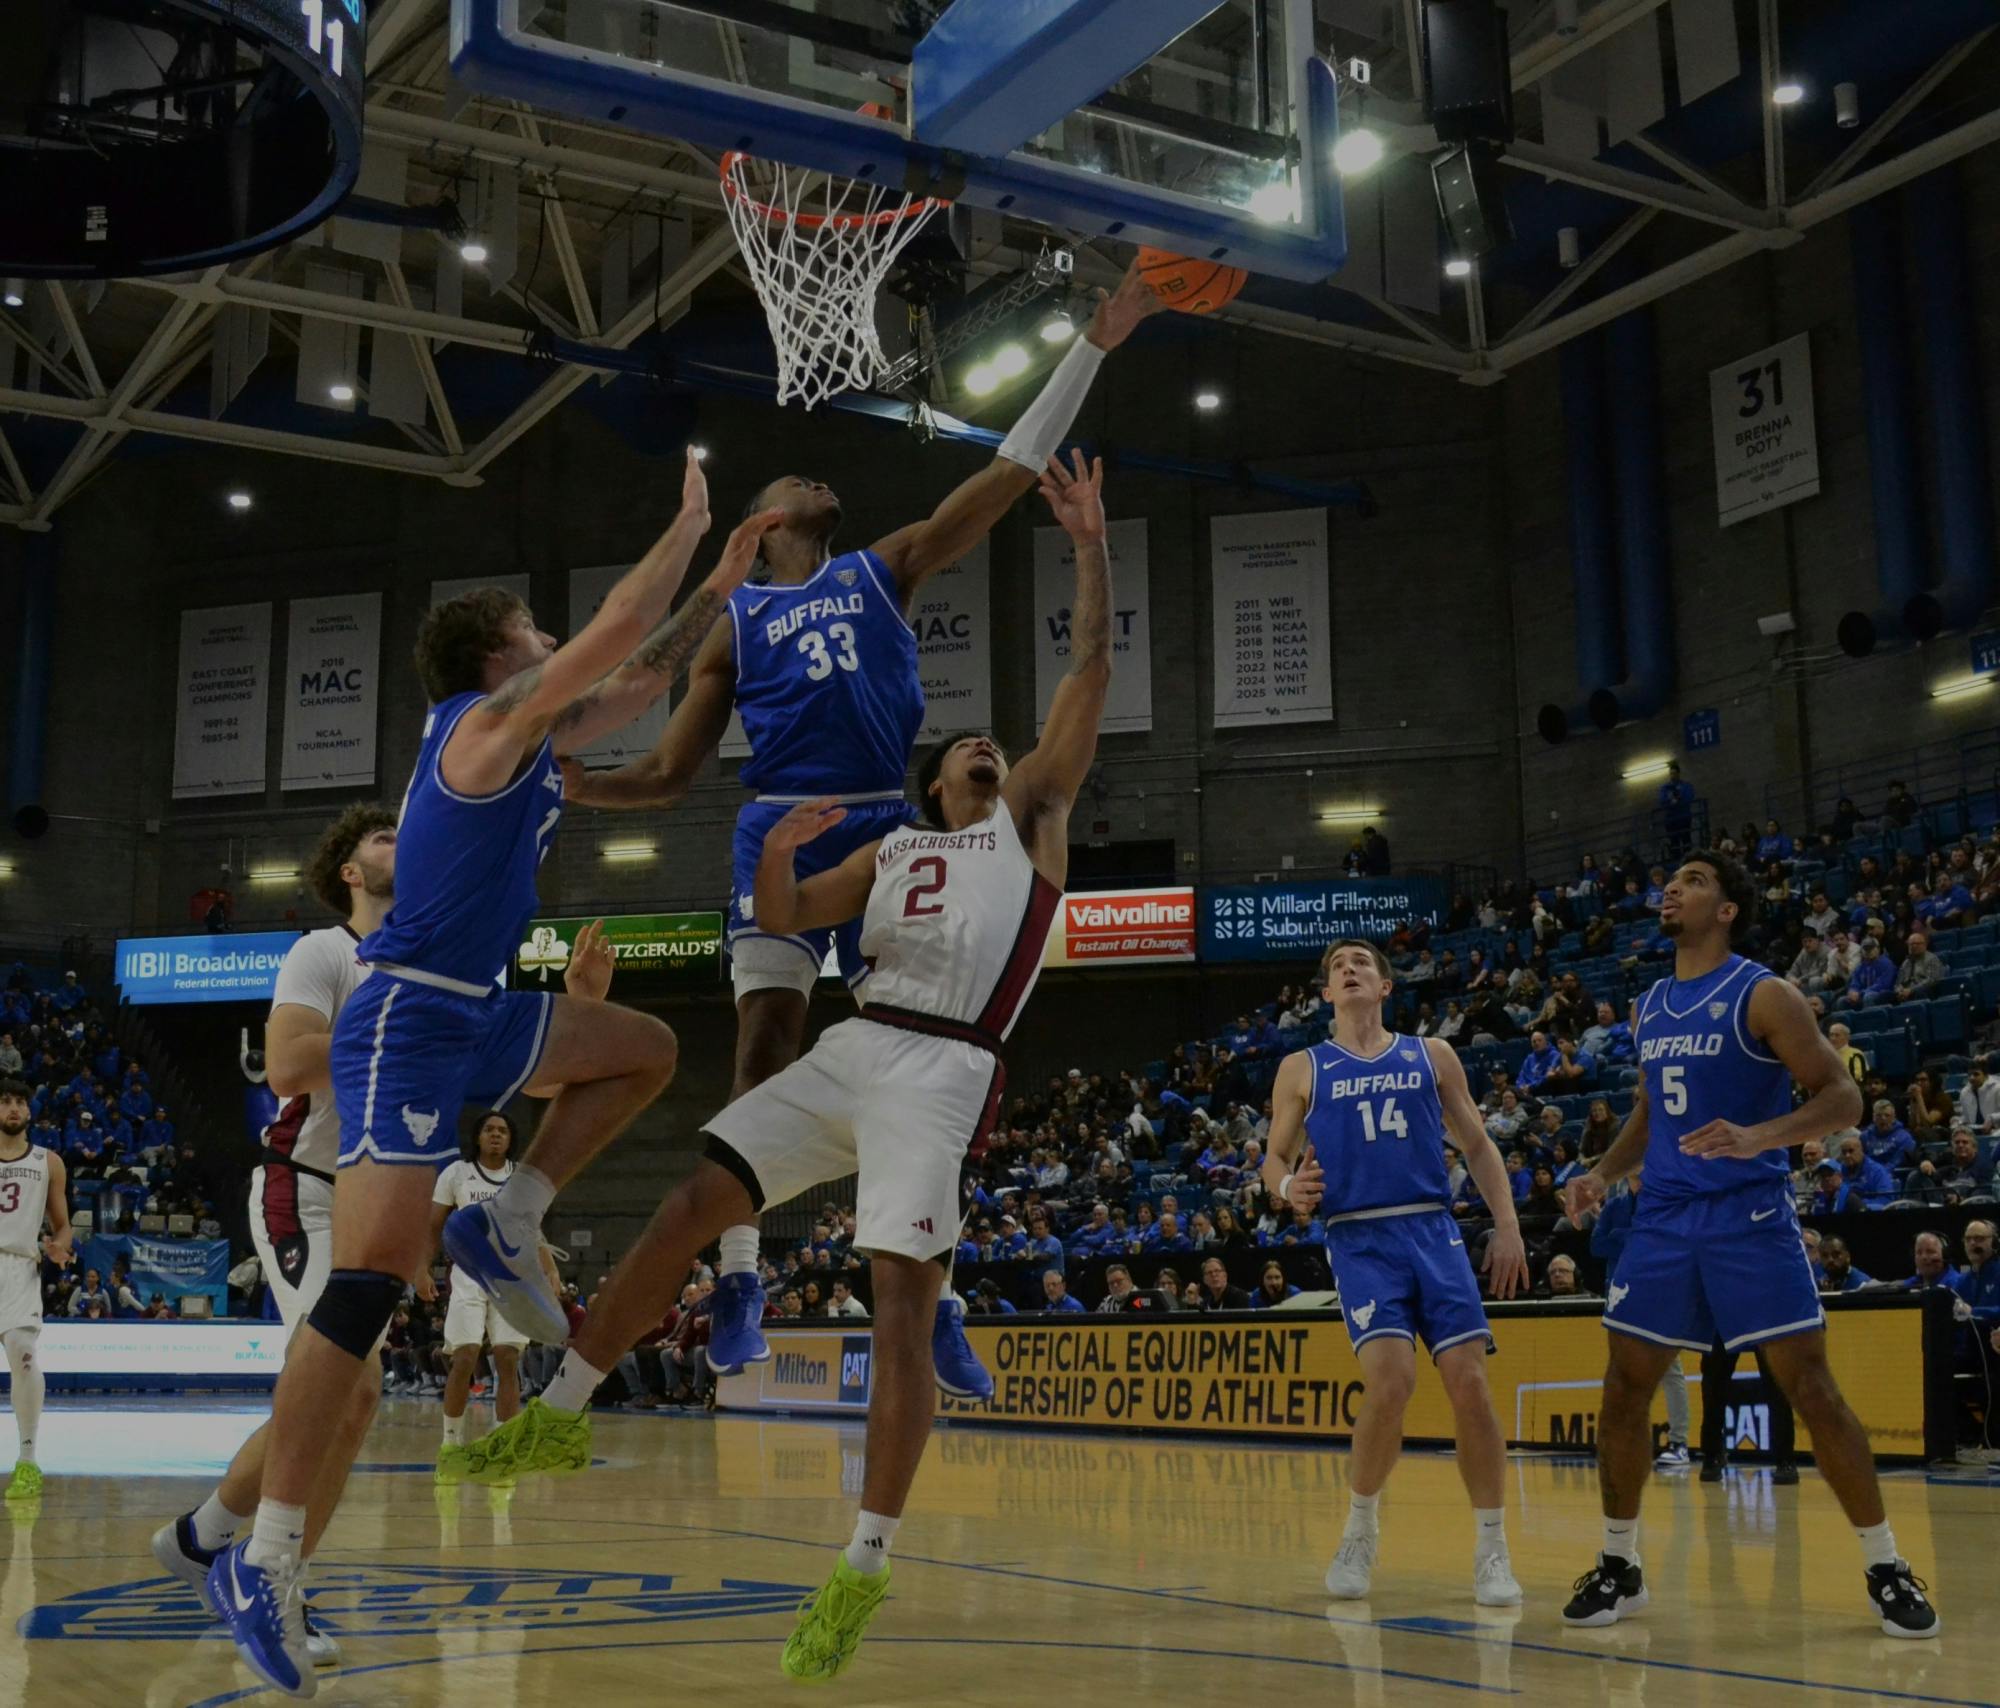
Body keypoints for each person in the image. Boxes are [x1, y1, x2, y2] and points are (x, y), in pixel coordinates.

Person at [455, 450, 1126, 1683]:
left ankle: (863, 1563)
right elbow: (786, 907)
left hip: (940, 1070)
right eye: (967, 743)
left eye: (993, 742)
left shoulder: (1029, 818)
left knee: (900, 1317)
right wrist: (780, 845)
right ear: (930, 784)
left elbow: (1087, 668)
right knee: (688, 1198)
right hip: (858, 1034)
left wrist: (1085, 539)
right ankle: (557, 1416)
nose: (986, 744)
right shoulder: (892, 856)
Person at [207, 454, 759, 1698]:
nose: (553, 635)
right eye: (534, 627)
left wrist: (720, 582)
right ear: (501, 655)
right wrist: (684, 524)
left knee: (645, 1051)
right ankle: (265, 1555)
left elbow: (646, 671)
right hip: (407, 1014)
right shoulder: (483, 726)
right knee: (365, 1290)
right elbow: (622, 628)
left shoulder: (538, 735)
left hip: (480, 1008)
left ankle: (512, 1208)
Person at [561, 271, 1162, 1405]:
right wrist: (583, 790)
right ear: (765, 515)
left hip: (890, 821)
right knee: (765, 1045)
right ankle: (739, 1274)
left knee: (925, 1056)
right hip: (774, 824)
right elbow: (671, 769)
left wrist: (1091, 344)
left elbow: (1002, 478)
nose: (818, 469)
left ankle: (939, 1299)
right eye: (797, 472)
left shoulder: (878, 568)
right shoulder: (731, 617)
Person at [1559, 850, 1939, 1637]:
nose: (1671, 888)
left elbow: (1845, 1098)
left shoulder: (1765, 992)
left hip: (1748, 1215)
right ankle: (1620, 1565)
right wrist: (1602, 1174)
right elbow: (1649, 1116)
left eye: (1694, 881)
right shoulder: (1651, 1005)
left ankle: (1886, 1565)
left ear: (1727, 908)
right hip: (1662, 1220)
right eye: (1670, 880)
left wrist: (1757, 1136)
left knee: (1812, 1389)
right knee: (1624, 1390)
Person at [151, 807, 403, 1674]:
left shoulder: (420, 961)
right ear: (350, 871)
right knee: (354, 1381)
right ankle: (255, 1570)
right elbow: (290, 1066)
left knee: (346, 1398)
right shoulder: (324, 952)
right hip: (307, 1188)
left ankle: (208, 1543)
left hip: (377, 1194)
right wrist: (394, 1030)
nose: (401, 845)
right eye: (385, 839)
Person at [1262, 939, 1528, 1608]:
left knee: (1469, 1382)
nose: (1349, 970)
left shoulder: (1429, 1054)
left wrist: (1509, 1226)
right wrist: (1288, 1185)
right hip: (1359, 1238)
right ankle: (1360, 1526)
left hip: (1431, 1229)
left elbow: (1477, 1142)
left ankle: (1492, 1549)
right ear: (1326, 994)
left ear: (1385, 986)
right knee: (1391, 1380)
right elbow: (1272, 1157)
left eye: (1362, 963)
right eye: (1337, 968)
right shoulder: (1303, 1066)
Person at [429, 1106, 567, 1479]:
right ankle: (451, 1443)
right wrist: (419, 1269)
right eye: (489, 1129)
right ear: (477, 1136)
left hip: (513, 1275)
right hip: (470, 1274)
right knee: (465, 1356)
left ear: (510, 1139)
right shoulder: (455, 1174)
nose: (495, 1135)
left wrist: (550, 1267)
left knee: (508, 1359)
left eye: (502, 1130)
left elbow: (532, 1227)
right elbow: (433, 1226)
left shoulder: (520, 1179)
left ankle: (504, 1445)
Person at [0, 1078, 70, 1501]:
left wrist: (60, 1246)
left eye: (19, 1102)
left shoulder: (49, 1161)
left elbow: (62, 1226)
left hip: (19, 1266)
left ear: (29, 1112)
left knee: (24, 1358)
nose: (12, 1108)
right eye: (5, 1101)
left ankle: (27, 1461)